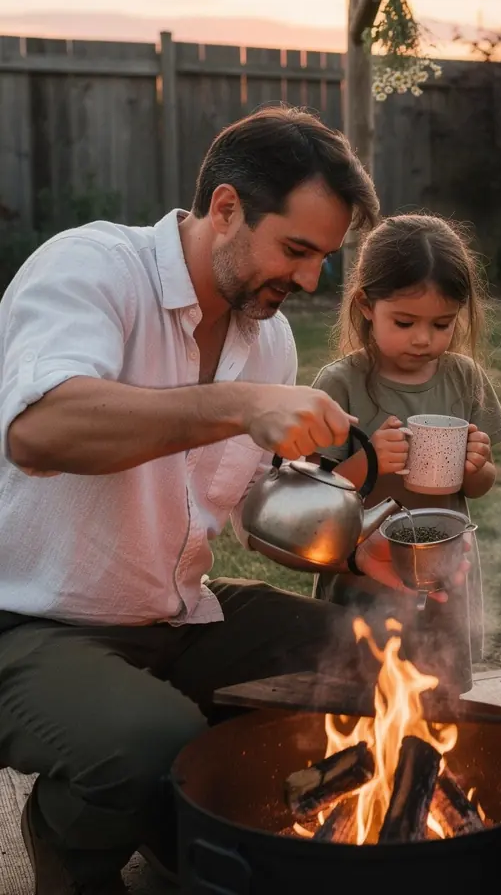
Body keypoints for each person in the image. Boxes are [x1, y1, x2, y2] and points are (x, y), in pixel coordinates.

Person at [0, 106, 414, 895]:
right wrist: (237, 405)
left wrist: (353, 547)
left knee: (375, 662)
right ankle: (68, 838)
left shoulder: (267, 336)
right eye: (295, 249)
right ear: (226, 208)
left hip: (178, 616)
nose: (308, 280)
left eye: (323, 258)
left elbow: (252, 505)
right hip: (29, 623)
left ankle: (194, 822)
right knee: (147, 741)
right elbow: (39, 432)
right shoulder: (91, 268)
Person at [311, 213, 501, 689]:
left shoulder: (463, 377)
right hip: (363, 575)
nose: (423, 339)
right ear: (366, 305)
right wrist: (369, 462)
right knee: (357, 693)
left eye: (442, 324)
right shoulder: (340, 385)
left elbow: (480, 486)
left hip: (445, 573)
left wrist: (475, 465)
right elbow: (315, 496)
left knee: (440, 692)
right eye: (404, 322)